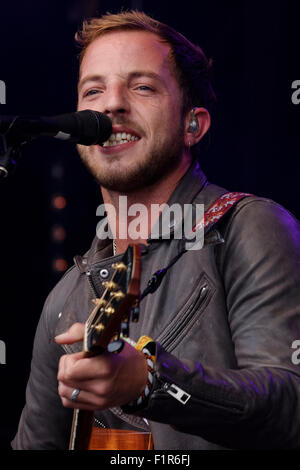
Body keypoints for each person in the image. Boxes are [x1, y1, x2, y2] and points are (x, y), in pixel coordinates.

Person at [12, 10, 300, 450]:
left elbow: (292, 404)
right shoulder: (64, 299)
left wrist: (151, 383)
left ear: (193, 125)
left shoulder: (249, 227)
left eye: (142, 86)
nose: (111, 105)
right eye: (94, 90)